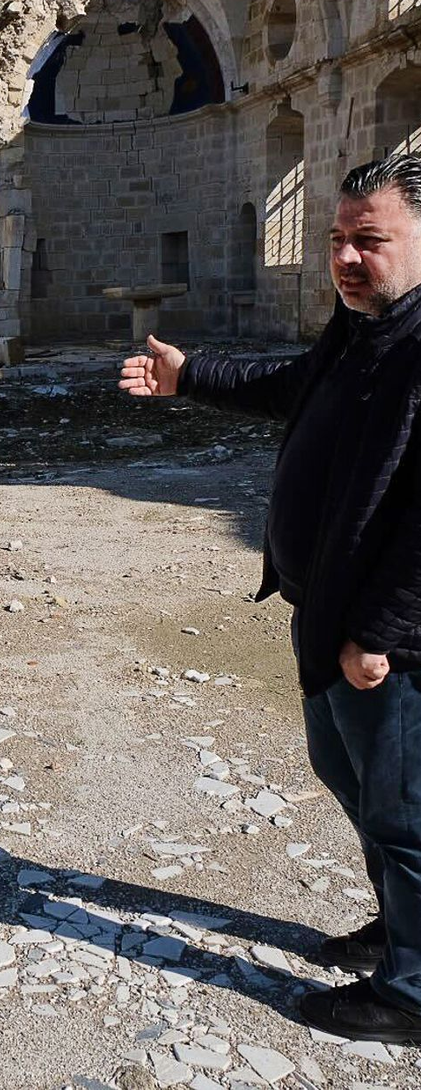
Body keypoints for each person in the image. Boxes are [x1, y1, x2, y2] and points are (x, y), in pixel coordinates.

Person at [119, 154, 421, 1044]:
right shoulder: (364, 329)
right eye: (337, 240)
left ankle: (411, 995)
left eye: (371, 240)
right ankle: (403, 927)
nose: (347, 259)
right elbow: (294, 390)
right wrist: (191, 376)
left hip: (384, 640)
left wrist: (384, 631)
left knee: (404, 809)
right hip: (324, 613)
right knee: (354, 779)